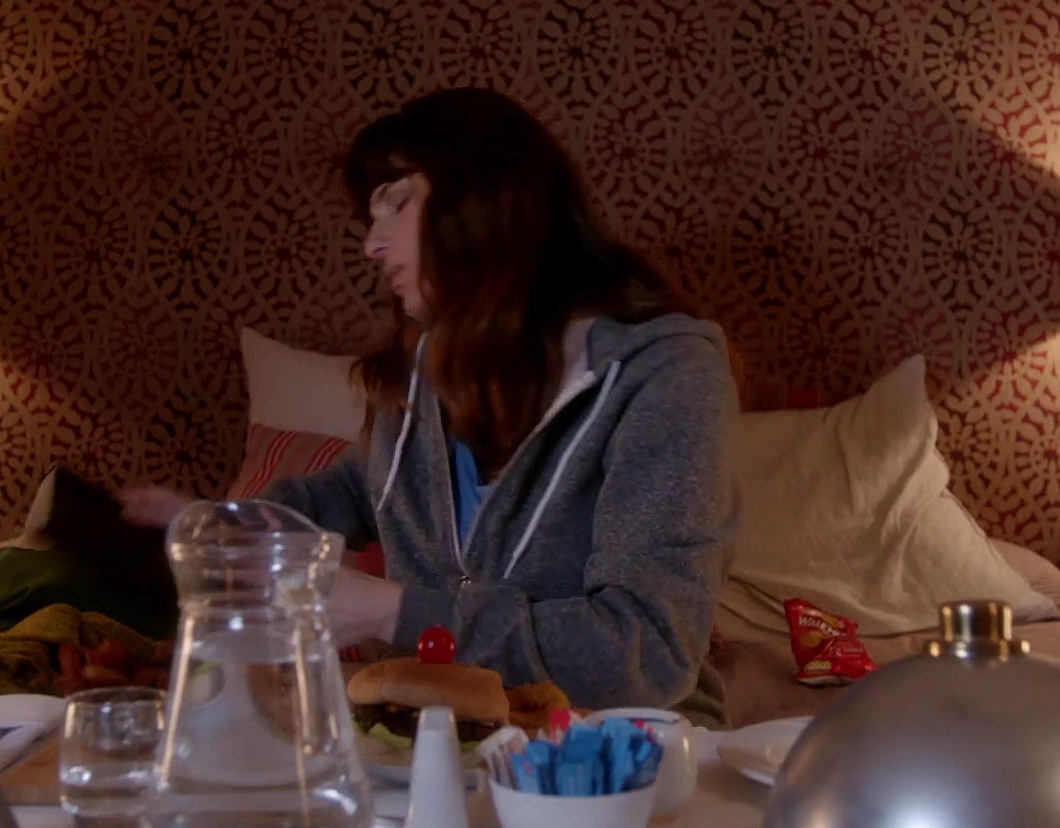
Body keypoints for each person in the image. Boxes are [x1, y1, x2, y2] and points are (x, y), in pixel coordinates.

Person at [122, 88, 737, 722]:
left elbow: (649, 652)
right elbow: (364, 490)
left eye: (397, 203)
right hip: (434, 731)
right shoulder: (426, 366)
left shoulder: (664, 372)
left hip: (616, 747)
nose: (372, 244)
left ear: (487, 200)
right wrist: (232, 527)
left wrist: (394, 612)